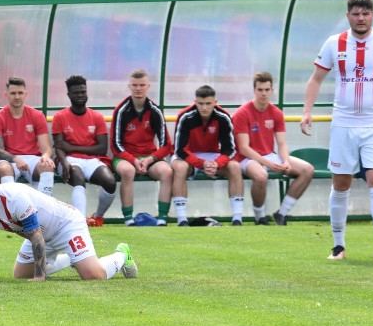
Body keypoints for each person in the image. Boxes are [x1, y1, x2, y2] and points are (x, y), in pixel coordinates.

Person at [301, 0, 373, 260]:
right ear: (348, 16)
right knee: (341, 183)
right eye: (355, 14)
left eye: (365, 13)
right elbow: (316, 79)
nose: (361, 18)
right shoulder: (335, 43)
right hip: (343, 123)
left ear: (372, 15)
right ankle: (338, 245)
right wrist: (307, 111)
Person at [0, 173, 137, 282]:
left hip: (66, 225)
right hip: (41, 235)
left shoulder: (15, 197)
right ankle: (73, 259)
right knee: (20, 275)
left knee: (93, 276)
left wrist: (40, 276)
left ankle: (122, 255)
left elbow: (36, 237)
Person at [233, 72, 315, 225]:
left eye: (267, 89)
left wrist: (285, 161)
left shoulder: (276, 112)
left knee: (307, 170)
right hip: (246, 158)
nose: (264, 94)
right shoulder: (242, 113)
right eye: (260, 90)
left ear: (272, 90)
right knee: (261, 176)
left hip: (269, 155)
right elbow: (244, 148)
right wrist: (268, 164)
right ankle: (260, 217)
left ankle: (281, 214)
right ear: (254, 90)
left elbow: (282, 143)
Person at [171, 85, 244, 226]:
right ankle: (182, 220)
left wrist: (217, 163)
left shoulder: (223, 117)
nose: (204, 107)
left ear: (215, 102)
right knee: (179, 168)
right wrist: (202, 163)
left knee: (235, 167)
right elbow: (180, 150)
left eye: (208, 104)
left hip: (212, 156)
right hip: (189, 156)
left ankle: (237, 219)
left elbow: (230, 149)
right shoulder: (185, 116)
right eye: (201, 103)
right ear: (195, 102)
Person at [110, 69, 173, 226]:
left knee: (167, 172)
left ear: (148, 86)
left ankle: (162, 218)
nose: (138, 89)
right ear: (129, 86)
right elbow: (115, 145)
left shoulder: (155, 111)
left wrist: (149, 159)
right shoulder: (121, 110)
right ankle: (128, 218)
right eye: (135, 85)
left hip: (148, 157)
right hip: (125, 157)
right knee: (128, 171)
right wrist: (133, 160)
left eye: (142, 85)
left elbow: (166, 145)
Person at [51, 75, 117, 226]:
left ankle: (98, 217)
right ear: (69, 95)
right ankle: (80, 221)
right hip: (69, 160)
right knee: (78, 178)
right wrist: (64, 162)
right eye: (76, 93)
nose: (80, 95)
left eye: (83, 92)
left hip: (92, 160)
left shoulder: (97, 117)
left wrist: (71, 147)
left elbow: (102, 148)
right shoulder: (60, 117)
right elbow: (59, 147)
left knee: (110, 182)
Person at [0, 76, 55, 195]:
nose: (17, 97)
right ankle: (10, 208)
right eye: (13, 93)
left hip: (32, 158)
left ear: (26, 94)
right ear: (6, 94)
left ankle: (43, 205)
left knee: (48, 165)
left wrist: (46, 156)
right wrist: (16, 159)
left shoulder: (37, 115)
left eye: (20, 93)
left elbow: (46, 148)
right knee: (4, 168)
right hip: (9, 160)